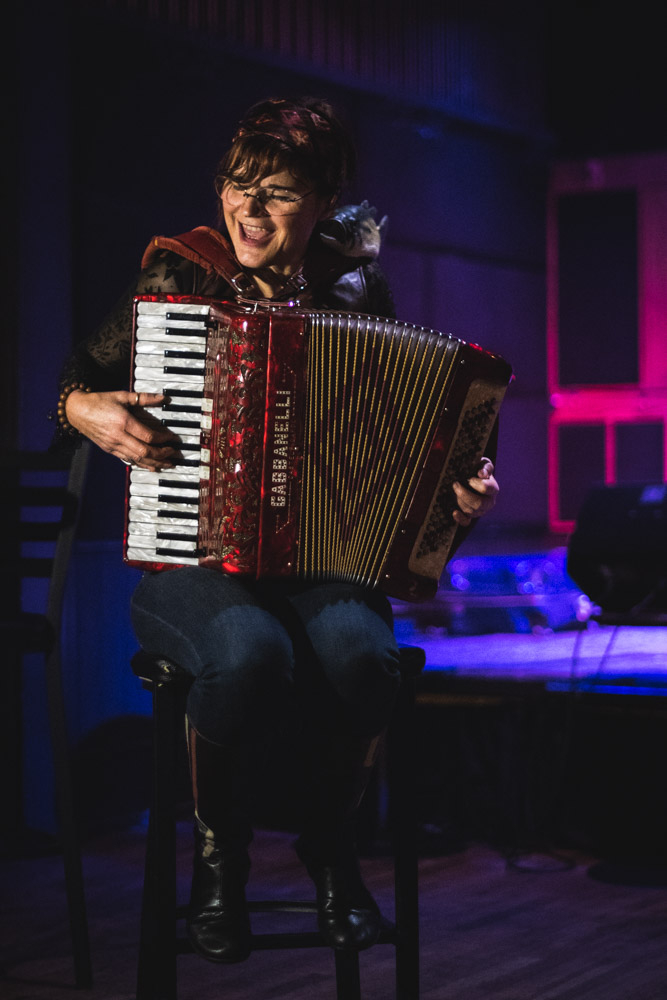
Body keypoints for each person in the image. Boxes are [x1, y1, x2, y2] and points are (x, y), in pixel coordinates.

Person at [56, 96, 499, 963]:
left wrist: (460, 489)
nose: (246, 211)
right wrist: (84, 410)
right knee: (250, 653)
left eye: (276, 193)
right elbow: (75, 378)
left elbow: (405, 430)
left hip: (320, 561)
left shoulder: (355, 286)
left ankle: (331, 848)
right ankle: (220, 863)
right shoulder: (180, 276)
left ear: (327, 200)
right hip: (192, 559)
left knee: (362, 659)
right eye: (235, 185)